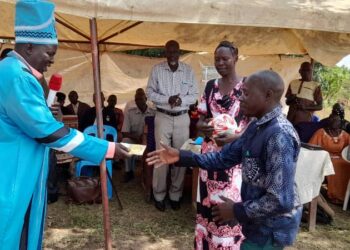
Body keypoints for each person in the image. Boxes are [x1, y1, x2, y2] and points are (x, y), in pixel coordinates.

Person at [0, 1, 129, 249]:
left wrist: (46, 114)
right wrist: (107, 149)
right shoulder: (16, 76)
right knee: (14, 234)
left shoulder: (13, 71)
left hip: (18, 168)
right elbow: (48, 133)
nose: (50, 61)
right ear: (28, 46)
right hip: (14, 174)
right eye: (48, 53)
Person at [147, 70, 302, 249]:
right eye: (241, 92)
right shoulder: (257, 127)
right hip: (256, 226)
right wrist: (182, 156)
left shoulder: (278, 135)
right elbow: (223, 158)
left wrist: (236, 210)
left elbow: (280, 200)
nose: (240, 98)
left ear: (268, 95)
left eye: (246, 93)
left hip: (270, 230)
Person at [193, 41, 250, 249]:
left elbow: (255, 127)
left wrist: (234, 138)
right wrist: (204, 127)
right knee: (207, 207)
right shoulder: (210, 87)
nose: (220, 63)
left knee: (228, 208)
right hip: (209, 160)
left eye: (225, 58)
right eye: (217, 59)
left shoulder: (247, 87)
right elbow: (199, 120)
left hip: (234, 162)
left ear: (235, 57)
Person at [146, 40, 199, 211]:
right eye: (169, 52)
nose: (172, 55)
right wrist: (166, 99)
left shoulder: (188, 71)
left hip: (183, 117)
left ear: (179, 53)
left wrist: (181, 100)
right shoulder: (157, 70)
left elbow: (195, 95)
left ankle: (175, 195)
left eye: (175, 52)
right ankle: (159, 195)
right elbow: (150, 92)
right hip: (163, 116)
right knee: (161, 155)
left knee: (180, 156)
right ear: (165, 53)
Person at [309, 111, 350, 204]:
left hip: (340, 157)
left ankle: (345, 195)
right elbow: (311, 146)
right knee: (335, 164)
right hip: (324, 156)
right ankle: (335, 195)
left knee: (346, 165)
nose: (334, 121)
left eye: (337, 120)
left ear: (341, 122)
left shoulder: (345, 135)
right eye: (332, 119)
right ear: (328, 120)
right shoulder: (321, 132)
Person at [122, 90, 155, 182]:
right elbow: (125, 132)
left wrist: (146, 138)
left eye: (141, 98)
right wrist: (137, 138)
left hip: (150, 142)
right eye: (137, 99)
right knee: (125, 142)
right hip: (136, 143)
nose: (139, 101)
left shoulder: (153, 112)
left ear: (146, 99)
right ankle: (129, 171)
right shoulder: (130, 112)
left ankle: (151, 173)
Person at [285, 62, 323, 126]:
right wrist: (292, 99)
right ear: (300, 71)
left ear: (311, 71)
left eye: (309, 70)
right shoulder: (293, 83)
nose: (307, 72)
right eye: (304, 70)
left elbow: (320, 106)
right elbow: (287, 102)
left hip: (305, 122)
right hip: (290, 120)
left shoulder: (315, 86)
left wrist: (305, 107)